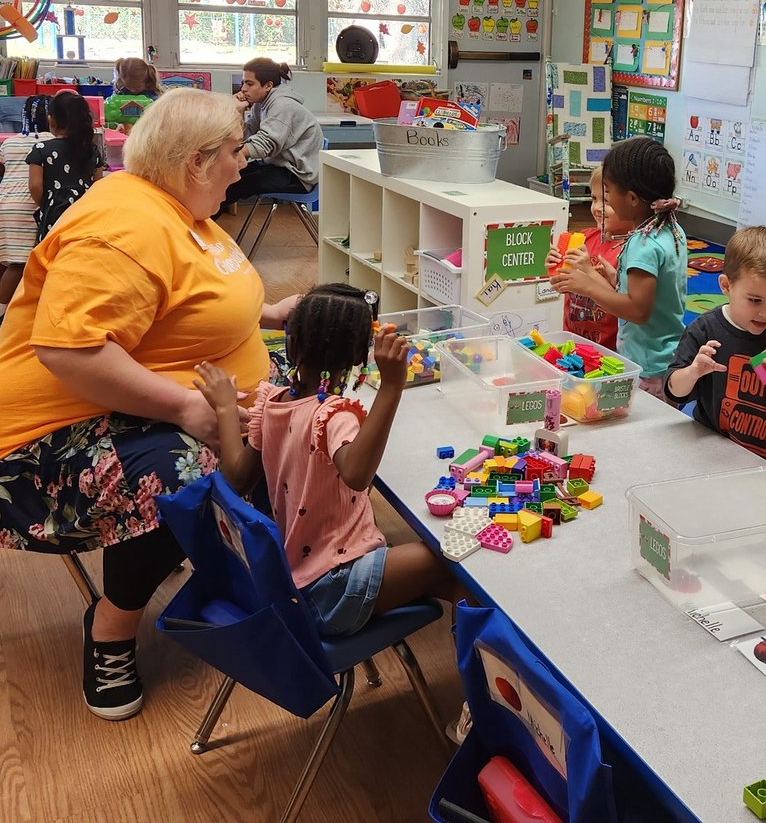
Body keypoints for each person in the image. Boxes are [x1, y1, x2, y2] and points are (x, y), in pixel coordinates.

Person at [0, 88, 297, 720]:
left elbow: (193, 290)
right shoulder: (125, 226)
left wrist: (266, 314)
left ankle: (252, 560)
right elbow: (70, 352)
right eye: (236, 151)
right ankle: (111, 627)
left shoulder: (176, 203)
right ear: (196, 160)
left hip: (132, 398)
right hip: (39, 440)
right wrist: (188, 410)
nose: (243, 163)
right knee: (189, 468)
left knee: (302, 404)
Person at [194, 283, 458, 637]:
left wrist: (226, 408)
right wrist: (391, 387)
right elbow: (357, 474)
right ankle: (485, 681)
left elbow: (237, 479)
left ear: (291, 343)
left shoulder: (272, 403)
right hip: (332, 587)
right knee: (454, 564)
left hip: (294, 584)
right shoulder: (333, 414)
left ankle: (479, 674)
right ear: (357, 358)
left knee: (443, 578)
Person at [665, 226, 766, 464]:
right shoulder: (704, 331)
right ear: (726, 286)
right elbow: (674, 391)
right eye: (755, 300)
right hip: (714, 454)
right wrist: (693, 372)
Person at [550, 137, 686, 400]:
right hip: (666, 355)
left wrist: (589, 286)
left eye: (609, 192)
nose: (606, 199)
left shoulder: (643, 244)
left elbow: (637, 310)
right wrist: (604, 276)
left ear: (632, 198)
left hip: (647, 367)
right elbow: (652, 294)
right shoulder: (669, 227)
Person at [221, 56, 323, 210]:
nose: (243, 89)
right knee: (226, 178)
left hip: (297, 175)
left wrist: (224, 153)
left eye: (249, 84)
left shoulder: (282, 106)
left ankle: (199, 229)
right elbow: (246, 136)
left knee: (233, 184)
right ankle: (199, 228)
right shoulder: (260, 104)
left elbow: (263, 146)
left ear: (268, 85)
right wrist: (238, 111)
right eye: (243, 83)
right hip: (277, 166)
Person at [545, 166, 629, 349]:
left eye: (606, 200)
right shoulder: (584, 238)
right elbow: (561, 286)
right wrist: (554, 267)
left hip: (611, 349)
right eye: (594, 199)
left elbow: (622, 305)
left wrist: (589, 271)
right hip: (573, 340)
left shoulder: (630, 251)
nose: (597, 208)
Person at [27, 91, 105, 241]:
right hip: (83, 213)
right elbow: (98, 186)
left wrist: (47, 202)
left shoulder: (41, 149)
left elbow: (35, 186)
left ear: (51, 120)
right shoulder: (92, 151)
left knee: (50, 255)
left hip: (53, 213)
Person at [0, 94, 52, 313]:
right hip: (28, 206)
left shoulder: (10, 143)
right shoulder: (51, 142)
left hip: (5, 204)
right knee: (20, 264)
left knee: (5, 262)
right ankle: (3, 315)